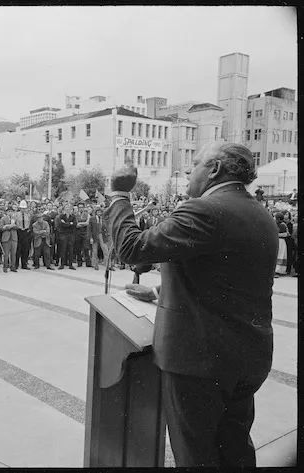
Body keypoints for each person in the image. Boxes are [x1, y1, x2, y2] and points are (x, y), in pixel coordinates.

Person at [106, 142, 278, 467]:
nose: (188, 170)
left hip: (199, 362)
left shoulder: (204, 209)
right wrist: (159, 293)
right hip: (247, 359)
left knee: (196, 456)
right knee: (234, 449)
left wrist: (118, 194)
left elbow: (132, 248)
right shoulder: (261, 214)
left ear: (213, 170)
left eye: (195, 163)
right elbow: (228, 281)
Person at [55, 203, 76, 270]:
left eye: (69, 207)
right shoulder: (61, 216)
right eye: (66, 207)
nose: (67, 209)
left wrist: (67, 224)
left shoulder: (73, 216)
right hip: (63, 234)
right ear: (64, 209)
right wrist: (70, 223)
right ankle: (62, 264)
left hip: (71, 234)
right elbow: (62, 225)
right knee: (63, 249)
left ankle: (70, 264)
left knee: (71, 250)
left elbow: (75, 224)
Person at [274, 212, 289, 277]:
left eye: (276, 218)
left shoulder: (283, 225)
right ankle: (276, 270)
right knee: (277, 255)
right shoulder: (275, 224)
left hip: (281, 241)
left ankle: (280, 270)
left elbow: (286, 234)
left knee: (281, 255)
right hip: (277, 241)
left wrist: (277, 235)